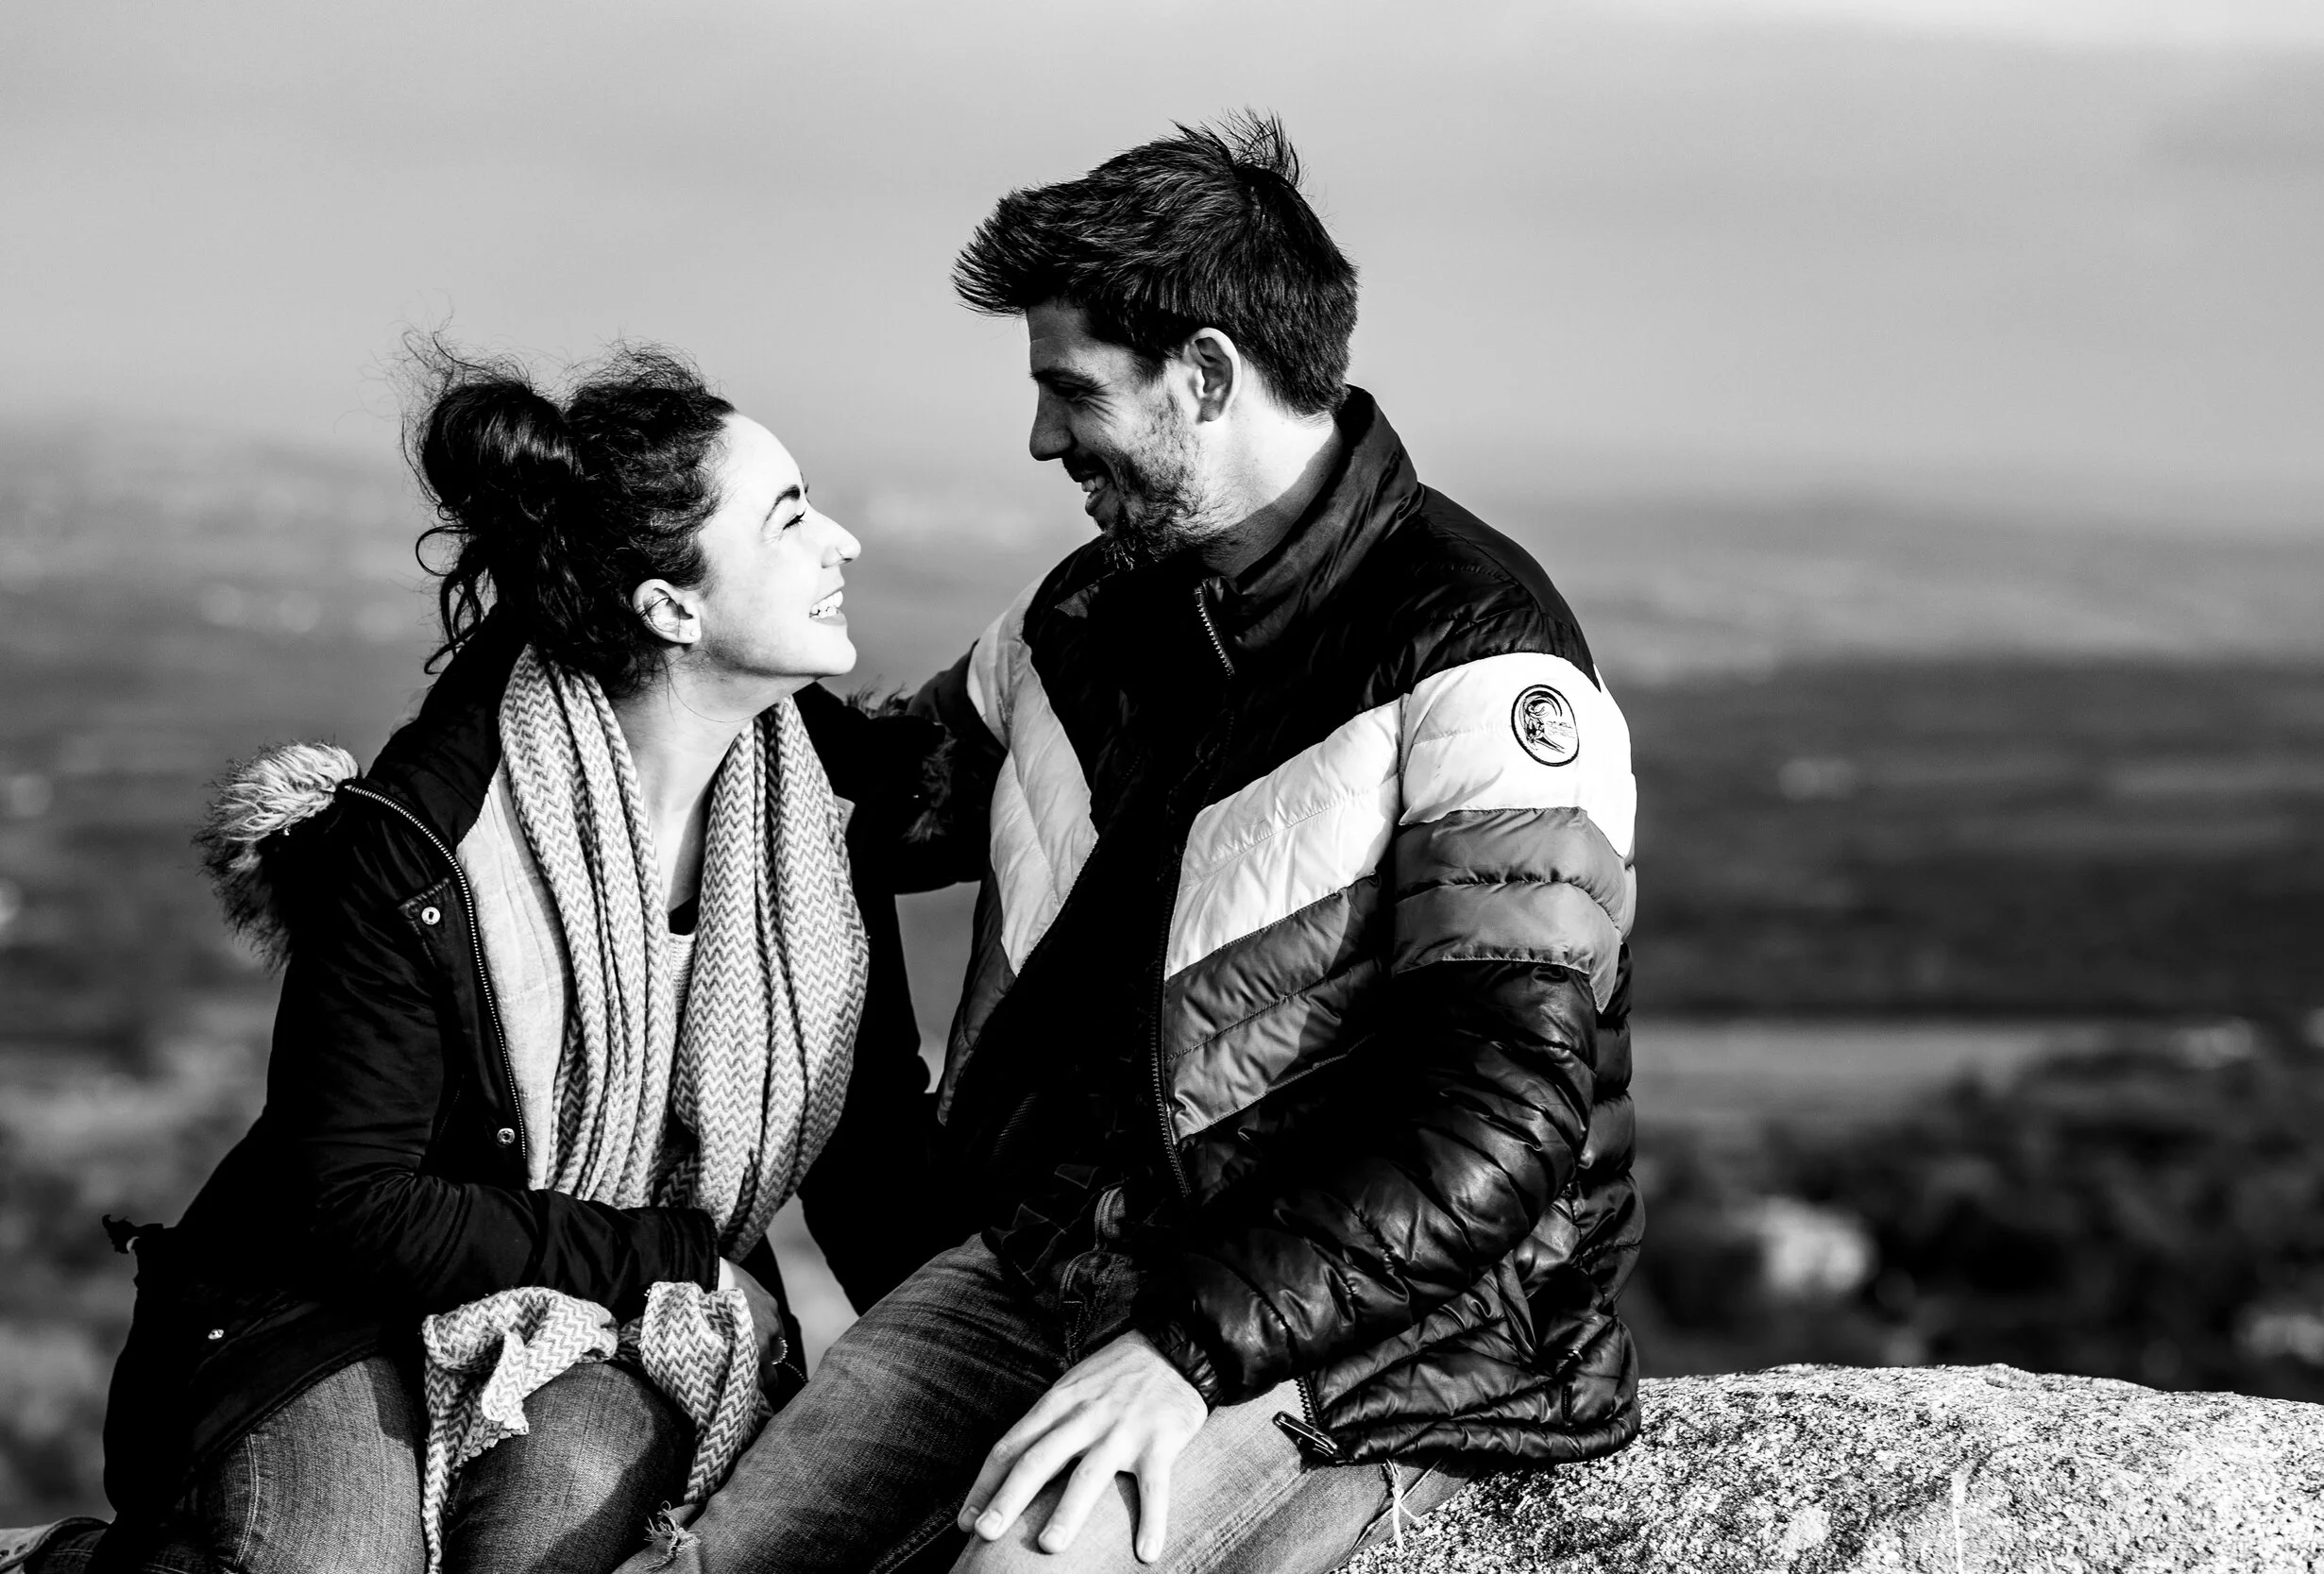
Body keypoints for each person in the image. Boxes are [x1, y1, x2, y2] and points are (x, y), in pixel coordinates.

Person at [625, 112, 1642, 1574]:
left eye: (1070, 389)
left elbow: (1508, 1112)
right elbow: (868, 794)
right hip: (1050, 1263)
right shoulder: (1091, 613)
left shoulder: (1482, 659)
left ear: (1208, 374)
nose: (1043, 435)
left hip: (1353, 1332)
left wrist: (1184, 1349)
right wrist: (634, 650)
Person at [58, 346, 943, 1574]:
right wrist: (674, 1256)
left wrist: (999, 1363)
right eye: (790, 517)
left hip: (606, 1323)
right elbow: (347, 1204)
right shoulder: (432, 842)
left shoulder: (817, 829)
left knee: (566, 1508)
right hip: (328, 1313)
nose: (839, 542)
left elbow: (878, 1153)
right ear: (670, 607)